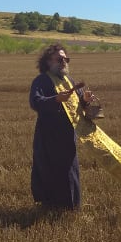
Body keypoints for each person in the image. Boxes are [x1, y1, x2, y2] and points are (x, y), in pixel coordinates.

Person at [29, 44, 94, 210]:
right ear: (48, 62)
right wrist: (56, 99)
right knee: (49, 172)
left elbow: (78, 107)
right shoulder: (41, 80)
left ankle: (70, 209)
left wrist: (85, 100)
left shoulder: (69, 81)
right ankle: (50, 208)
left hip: (68, 137)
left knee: (69, 172)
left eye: (66, 59)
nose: (64, 62)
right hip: (48, 137)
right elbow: (35, 102)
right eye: (59, 59)